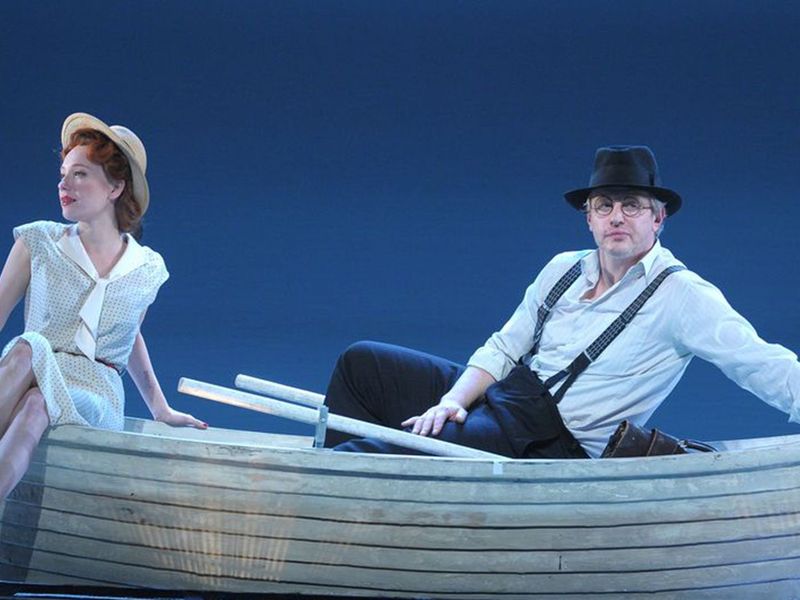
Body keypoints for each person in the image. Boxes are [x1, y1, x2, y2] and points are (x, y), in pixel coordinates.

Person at [322, 145, 800, 459]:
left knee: (381, 454)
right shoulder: (563, 268)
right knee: (362, 363)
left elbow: (760, 362)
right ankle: (345, 507)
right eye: (604, 205)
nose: (617, 217)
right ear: (588, 218)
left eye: (632, 205)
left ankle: (341, 495)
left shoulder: (682, 294)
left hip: (552, 444)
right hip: (507, 402)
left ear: (658, 220)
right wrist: (451, 402)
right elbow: (505, 348)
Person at [0, 112, 206, 498]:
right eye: (63, 173)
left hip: (95, 390)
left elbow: (131, 337)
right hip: (33, 367)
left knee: (37, 394)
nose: (64, 184)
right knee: (30, 360)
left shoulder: (146, 268)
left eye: (80, 174)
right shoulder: (38, 241)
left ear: (115, 187)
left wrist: (160, 408)